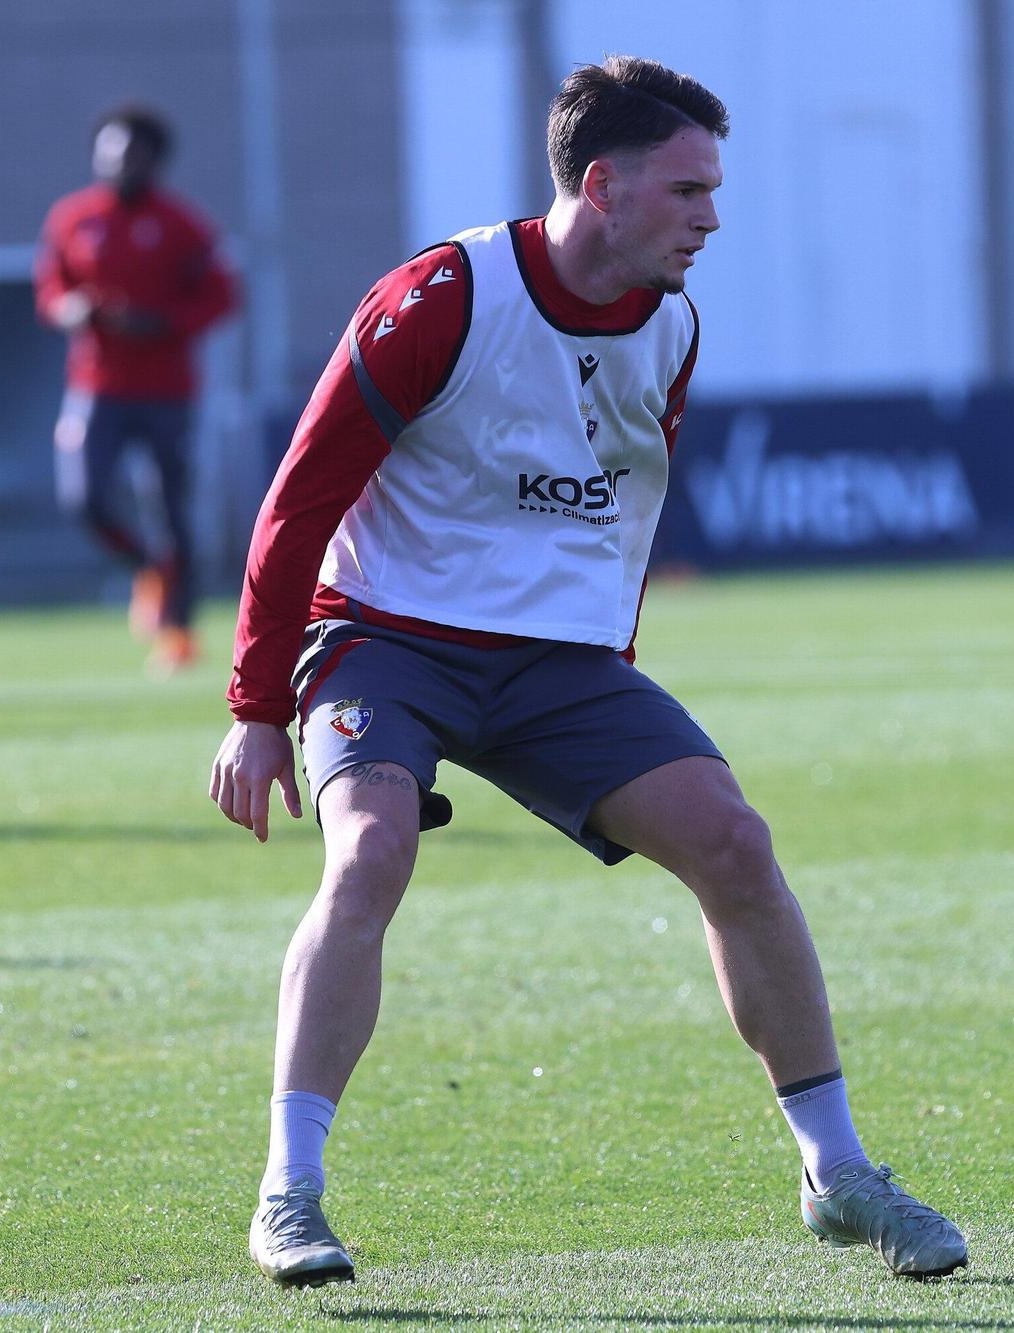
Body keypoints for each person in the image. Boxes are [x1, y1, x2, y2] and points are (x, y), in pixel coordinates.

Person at [208, 56, 968, 1286]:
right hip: (383, 637)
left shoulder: (670, 327)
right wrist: (252, 707)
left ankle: (837, 1174)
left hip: (555, 665)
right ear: (603, 186)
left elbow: (623, 506)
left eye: (713, 190)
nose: (710, 217)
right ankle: (288, 1194)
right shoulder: (439, 297)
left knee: (734, 842)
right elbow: (299, 502)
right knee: (370, 853)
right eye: (688, 190)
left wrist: (604, 679)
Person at [35, 103, 237, 674]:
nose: (120, 162)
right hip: (96, 386)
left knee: (171, 509)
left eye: (132, 153)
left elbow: (221, 297)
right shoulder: (72, 218)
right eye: (111, 151)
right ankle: (149, 571)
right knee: (85, 499)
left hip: (167, 390)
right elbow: (50, 289)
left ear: (154, 160)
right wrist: (69, 309)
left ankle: (177, 632)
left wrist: (164, 323)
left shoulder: (183, 225)